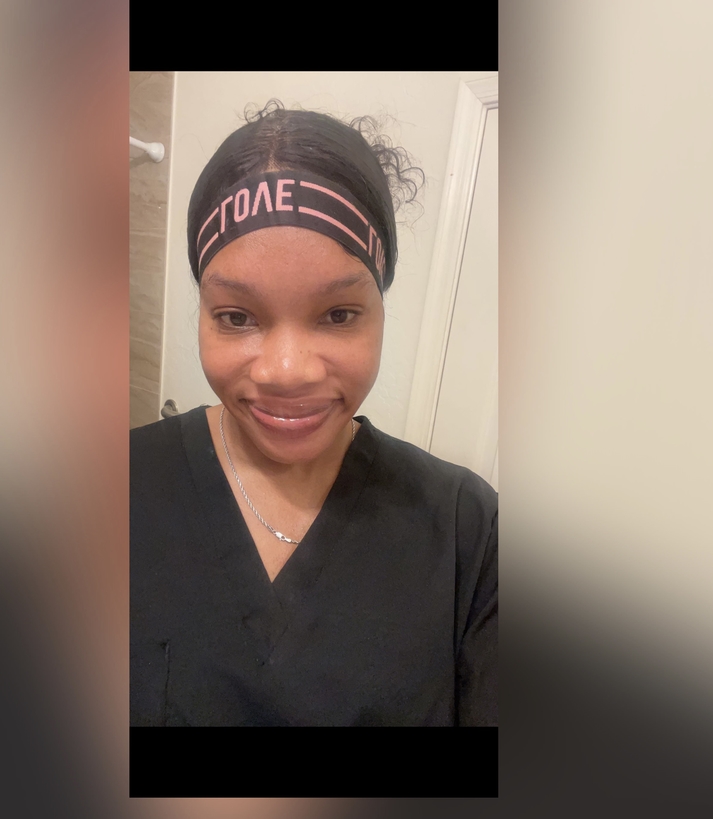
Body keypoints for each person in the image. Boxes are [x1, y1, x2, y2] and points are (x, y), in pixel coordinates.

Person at [130, 101, 497, 727]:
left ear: (380, 309)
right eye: (237, 317)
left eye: (337, 315)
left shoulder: (469, 535)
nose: (286, 370)